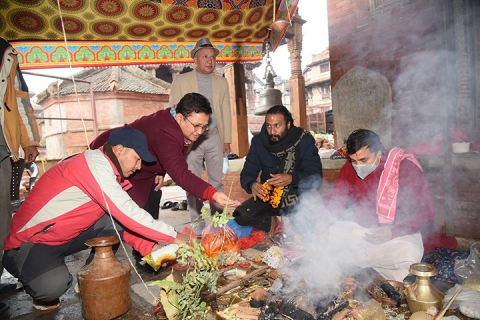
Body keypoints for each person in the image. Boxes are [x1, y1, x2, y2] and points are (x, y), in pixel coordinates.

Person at [2, 126, 193, 311]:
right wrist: (174, 235)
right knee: (51, 288)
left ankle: (89, 277)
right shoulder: (93, 165)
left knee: (113, 219)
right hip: (30, 244)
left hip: (66, 237)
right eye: (137, 159)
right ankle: (33, 274)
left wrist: (154, 250)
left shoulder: (109, 173)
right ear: (119, 150)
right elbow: (128, 213)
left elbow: (121, 221)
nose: (139, 166)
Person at [322, 129, 435, 281]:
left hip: (396, 236)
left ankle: (382, 279)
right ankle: (356, 275)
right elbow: (337, 200)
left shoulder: (405, 168)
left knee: (408, 255)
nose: (357, 166)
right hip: (362, 233)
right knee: (328, 237)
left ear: (379, 153)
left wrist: (393, 232)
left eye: (364, 160)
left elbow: (427, 211)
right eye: (353, 161)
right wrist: (323, 223)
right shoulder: (348, 169)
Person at [169, 37, 232, 234]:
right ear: (195, 59)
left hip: (213, 136)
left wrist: (226, 139)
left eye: (212, 57)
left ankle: (218, 220)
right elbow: (173, 111)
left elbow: (225, 111)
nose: (209, 61)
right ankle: (196, 222)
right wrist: (179, 140)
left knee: (217, 181)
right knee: (192, 181)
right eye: (205, 56)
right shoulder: (181, 80)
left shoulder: (222, 82)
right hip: (190, 140)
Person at [233, 105, 323, 236]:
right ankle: (273, 222)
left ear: (288, 124)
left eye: (277, 125)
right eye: (268, 126)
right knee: (241, 215)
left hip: (296, 197)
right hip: (267, 197)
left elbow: (315, 176)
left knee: (308, 223)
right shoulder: (259, 142)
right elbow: (247, 173)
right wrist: (252, 184)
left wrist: (292, 178)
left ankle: (291, 224)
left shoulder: (304, 140)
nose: (272, 131)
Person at [0, 37, 40, 315]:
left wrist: (29, 140)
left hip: (2, 142)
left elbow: (20, 101)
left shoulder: (7, 52)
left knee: (2, 216)